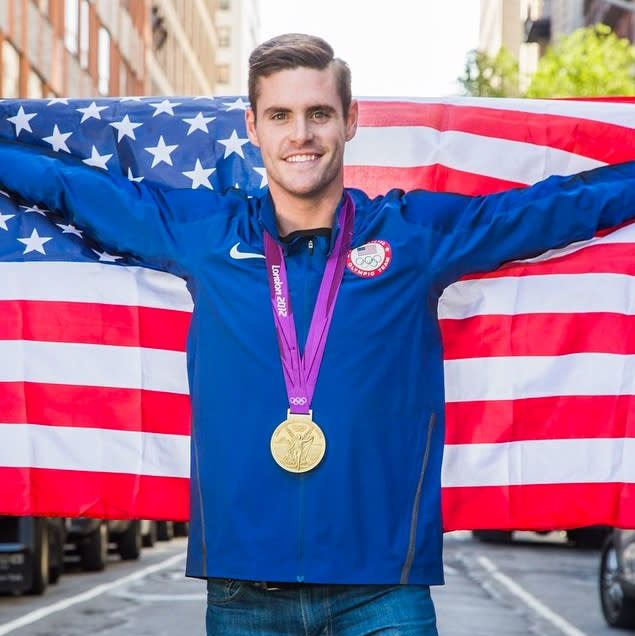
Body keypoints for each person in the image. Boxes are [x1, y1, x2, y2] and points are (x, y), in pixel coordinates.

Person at [1, 32, 635, 635]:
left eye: (318, 114)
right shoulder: (205, 235)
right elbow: (75, 189)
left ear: (350, 120)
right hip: (243, 591)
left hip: (385, 592)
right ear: (252, 127)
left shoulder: (410, 238)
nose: (300, 135)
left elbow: (548, 210)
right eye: (279, 115)